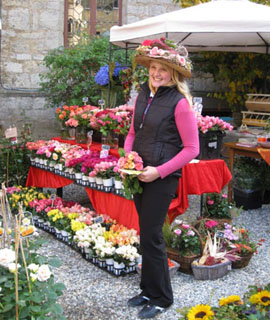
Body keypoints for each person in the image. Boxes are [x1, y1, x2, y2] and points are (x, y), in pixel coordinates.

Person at [124, 38, 200, 319]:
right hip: (139, 175)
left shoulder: (179, 103)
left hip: (162, 178)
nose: (156, 73)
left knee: (153, 236)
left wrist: (159, 171)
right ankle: (147, 289)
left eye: (163, 69)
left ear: (174, 73)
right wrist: (128, 158)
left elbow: (193, 149)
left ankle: (162, 298)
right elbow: (132, 134)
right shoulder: (143, 95)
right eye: (153, 67)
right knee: (145, 235)